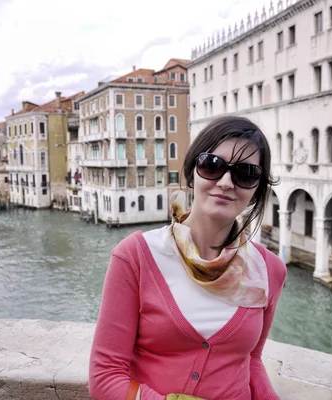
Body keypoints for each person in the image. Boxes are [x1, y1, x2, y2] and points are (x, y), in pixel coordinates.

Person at [89, 116, 287, 400]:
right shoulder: (134, 257)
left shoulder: (270, 271)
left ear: (256, 191)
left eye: (245, 173)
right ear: (192, 172)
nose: (227, 182)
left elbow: (252, 361)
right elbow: (104, 376)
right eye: (212, 166)